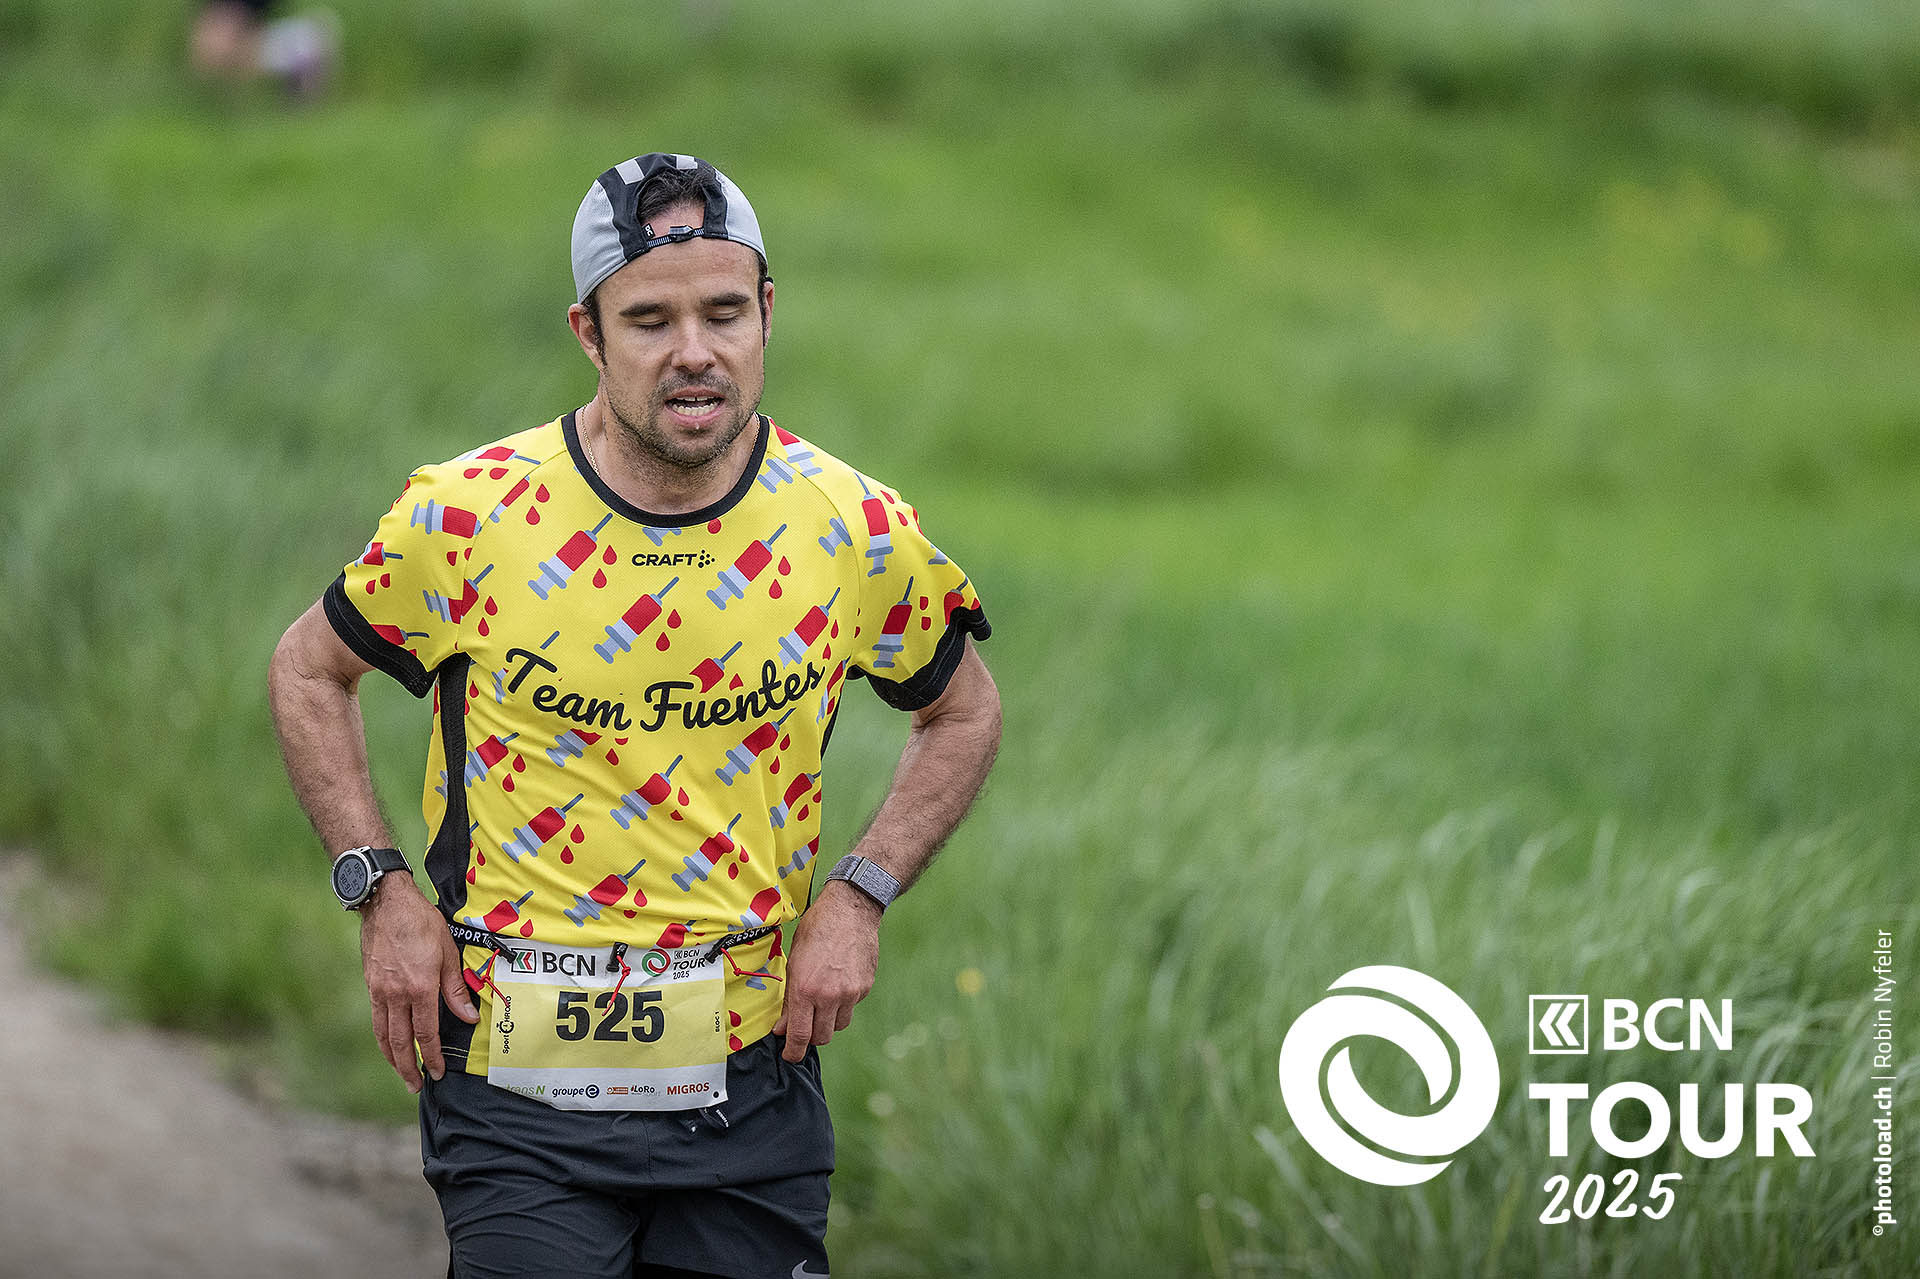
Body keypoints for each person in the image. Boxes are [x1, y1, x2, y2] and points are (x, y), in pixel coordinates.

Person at [267, 152, 1001, 1278]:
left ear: (767, 314)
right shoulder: (471, 516)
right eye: (650, 321)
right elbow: (309, 669)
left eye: (723, 313)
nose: (693, 350)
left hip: (752, 1078)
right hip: (515, 1083)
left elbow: (963, 710)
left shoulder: (849, 526)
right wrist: (381, 889)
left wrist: (862, 894)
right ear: (589, 334)